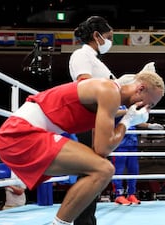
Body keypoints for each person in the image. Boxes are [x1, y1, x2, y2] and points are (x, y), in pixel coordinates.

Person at [0, 71, 165, 225]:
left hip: (21, 135)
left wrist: (126, 116)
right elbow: (103, 149)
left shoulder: (108, 97)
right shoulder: (109, 91)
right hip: (20, 135)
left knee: (98, 168)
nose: (147, 109)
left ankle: (61, 223)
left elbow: (99, 147)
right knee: (103, 169)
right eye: (151, 104)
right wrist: (128, 122)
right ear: (140, 88)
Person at [68, 15, 115, 225]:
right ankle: (82, 221)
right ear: (97, 36)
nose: (110, 41)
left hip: (99, 119)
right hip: (90, 119)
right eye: (109, 37)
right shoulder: (81, 55)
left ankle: (87, 220)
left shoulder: (96, 60)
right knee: (91, 171)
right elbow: (84, 86)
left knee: (97, 172)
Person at [111, 104, 164, 205]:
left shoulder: (129, 106)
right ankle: (119, 195)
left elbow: (136, 121)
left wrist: (149, 126)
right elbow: (111, 114)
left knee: (134, 169)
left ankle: (131, 194)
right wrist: (127, 112)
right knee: (118, 169)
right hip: (119, 142)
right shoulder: (114, 103)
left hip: (132, 142)